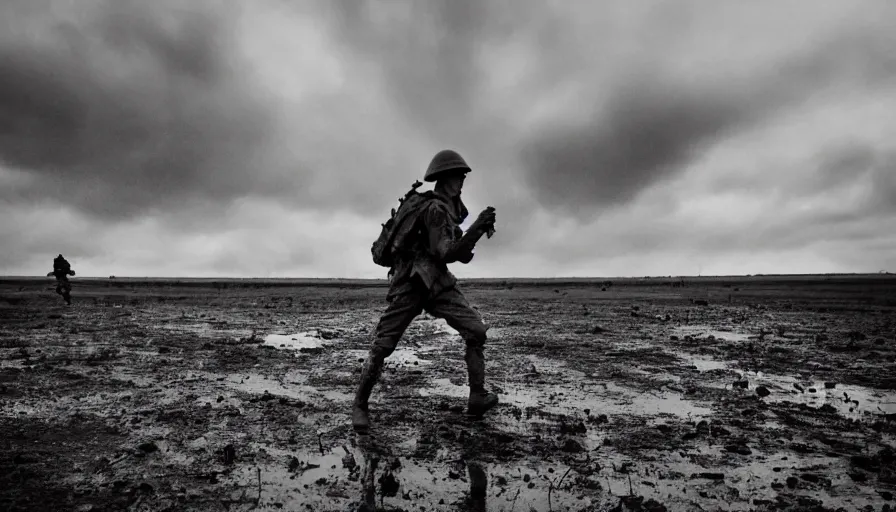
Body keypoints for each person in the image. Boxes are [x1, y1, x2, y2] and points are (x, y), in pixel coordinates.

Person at [352, 149, 498, 435]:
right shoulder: (433, 209)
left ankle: (477, 396)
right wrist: (477, 228)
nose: (463, 181)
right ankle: (360, 405)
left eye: (463, 176)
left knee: (476, 331)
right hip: (411, 283)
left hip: (438, 283)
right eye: (459, 175)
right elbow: (446, 251)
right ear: (445, 178)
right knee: (383, 345)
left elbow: (454, 251)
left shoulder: (445, 210)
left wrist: (468, 239)